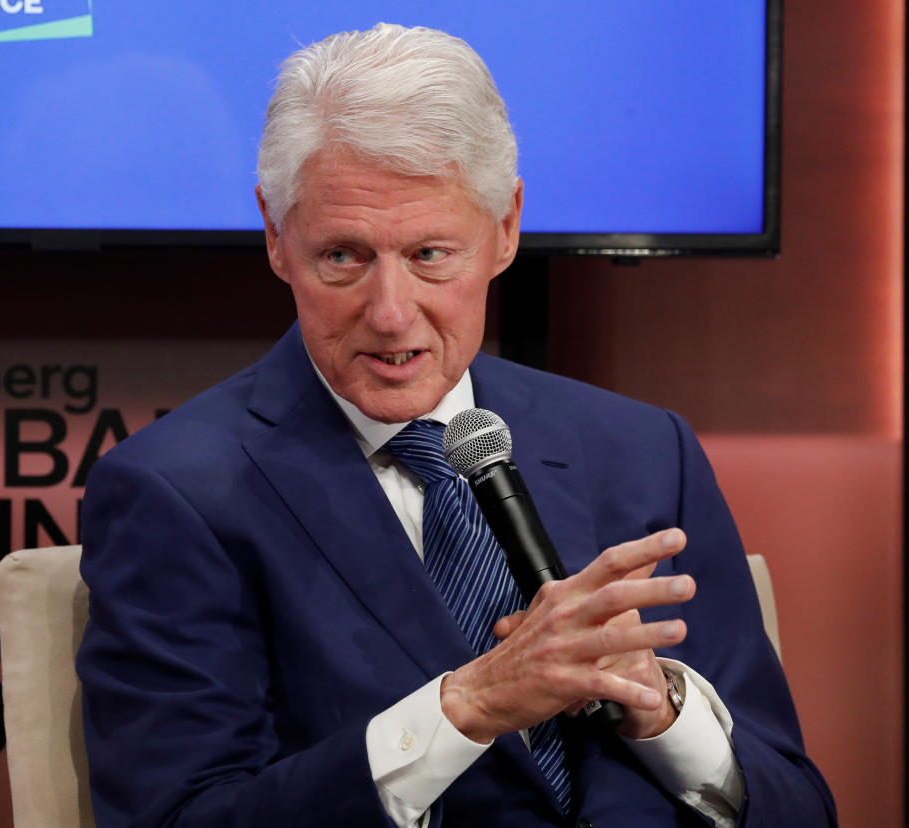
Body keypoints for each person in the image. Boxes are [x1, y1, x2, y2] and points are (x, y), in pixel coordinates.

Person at [76, 23, 837, 828]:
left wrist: (667, 715)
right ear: (276, 235)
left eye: (431, 254)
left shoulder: (645, 454)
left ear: (505, 228)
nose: (390, 312)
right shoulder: (178, 492)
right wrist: (468, 705)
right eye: (343, 256)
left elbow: (799, 810)